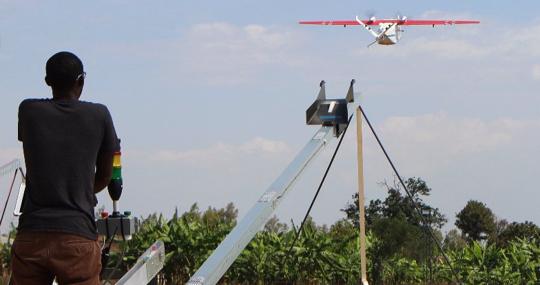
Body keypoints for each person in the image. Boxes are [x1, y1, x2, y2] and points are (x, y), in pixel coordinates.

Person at [11, 51, 119, 285]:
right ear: (81, 81)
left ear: (47, 82)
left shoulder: (28, 111)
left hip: (32, 235)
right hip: (77, 234)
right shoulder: (99, 115)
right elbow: (105, 175)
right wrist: (81, 191)